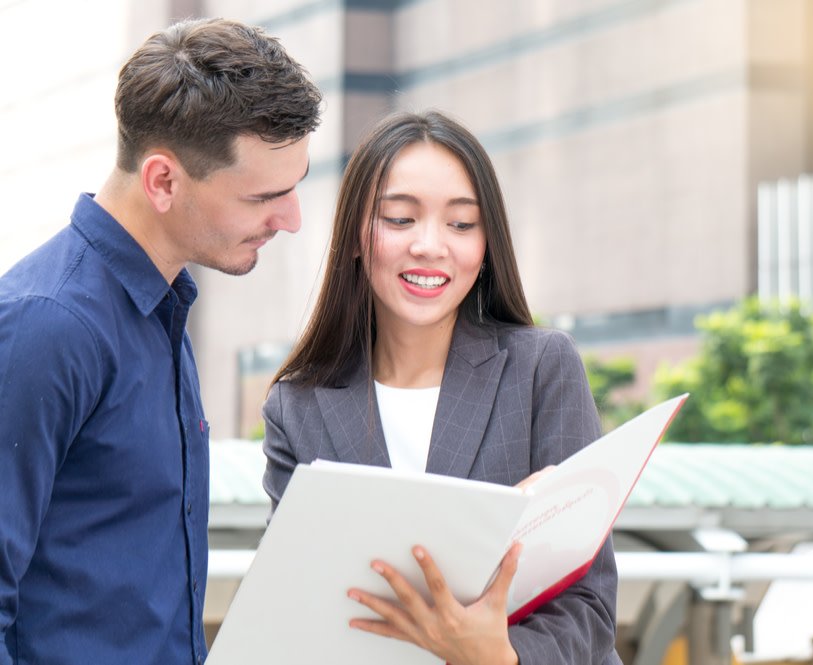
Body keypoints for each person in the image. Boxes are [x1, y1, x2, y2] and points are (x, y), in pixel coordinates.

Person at [0, 18, 321, 665]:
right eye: (265, 195)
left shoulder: (160, 308)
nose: (291, 219)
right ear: (164, 181)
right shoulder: (49, 326)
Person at [262, 110, 622, 665]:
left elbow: (591, 607)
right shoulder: (299, 407)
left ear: (486, 246)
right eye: (400, 219)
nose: (431, 246)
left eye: (461, 224)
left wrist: (499, 655)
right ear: (356, 238)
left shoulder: (540, 369)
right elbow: (298, 607)